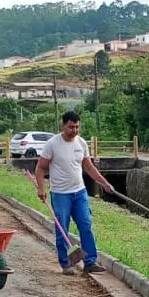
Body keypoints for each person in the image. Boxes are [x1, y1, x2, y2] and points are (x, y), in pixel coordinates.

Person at [33, 110, 114, 275]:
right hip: (60, 194)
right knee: (62, 228)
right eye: (71, 127)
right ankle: (66, 264)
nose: (74, 130)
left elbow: (89, 166)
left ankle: (90, 262)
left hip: (80, 192)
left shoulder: (82, 143)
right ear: (63, 126)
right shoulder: (52, 144)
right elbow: (40, 168)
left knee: (86, 225)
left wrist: (104, 183)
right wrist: (41, 188)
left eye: (77, 127)